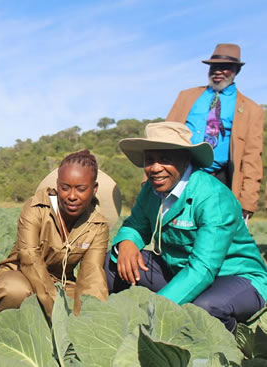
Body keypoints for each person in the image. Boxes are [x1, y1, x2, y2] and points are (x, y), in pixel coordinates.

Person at [105, 121, 267, 331]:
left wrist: (154, 312)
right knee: (113, 262)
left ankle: (233, 342)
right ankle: (112, 325)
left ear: (185, 158)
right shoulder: (150, 191)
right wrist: (126, 241)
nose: (155, 168)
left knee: (204, 309)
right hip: (178, 270)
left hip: (235, 277)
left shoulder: (212, 196)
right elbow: (135, 225)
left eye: (165, 159)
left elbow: (203, 268)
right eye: (149, 160)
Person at [0, 150, 109, 316]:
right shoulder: (36, 208)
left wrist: (88, 320)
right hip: (21, 273)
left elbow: (92, 274)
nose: (72, 196)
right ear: (57, 185)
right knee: (14, 292)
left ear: (94, 189)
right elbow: (29, 258)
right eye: (65, 188)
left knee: (88, 309)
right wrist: (55, 309)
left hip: (62, 282)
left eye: (81, 189)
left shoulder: (97, 225)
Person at [166, 43, 264, 218]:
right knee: (170, 228)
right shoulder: (186, 97)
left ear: (236, 71)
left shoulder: (250, 109)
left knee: (214, 231)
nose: (218, 71)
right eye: (214, 66)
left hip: (218, 178)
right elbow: (164, 136)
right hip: (180, 174)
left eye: (225, 67)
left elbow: (252, 158)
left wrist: (248, 200)